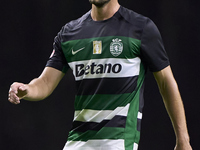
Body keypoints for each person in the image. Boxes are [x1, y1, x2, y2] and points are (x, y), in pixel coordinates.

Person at [8, 0, 192, 150]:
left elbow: (166, 82)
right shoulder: (69, 33)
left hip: (118, 141)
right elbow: (45, 82)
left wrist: (183, 140)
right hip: (77, 141)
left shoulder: (141, 28)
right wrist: (27, 89)